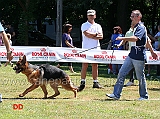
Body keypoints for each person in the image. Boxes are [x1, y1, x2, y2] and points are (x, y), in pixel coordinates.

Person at [106, 10, 157, 100]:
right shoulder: (135, 28)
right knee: (121, 73)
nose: (131, 18)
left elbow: (135, 39)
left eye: (133, 17)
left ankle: (144, 96)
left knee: (140, 77)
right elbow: (147, 40)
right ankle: (116, 94)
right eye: (131, 17)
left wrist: (122, 38)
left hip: (139, 55)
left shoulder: (141, 27)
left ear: (138, 17)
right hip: (132, 54)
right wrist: (120, 44)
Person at [78, 9, 103, 91]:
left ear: (95, 16)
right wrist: (95, 35)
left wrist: (92, 35)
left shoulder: (98, 26)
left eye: (92, 15)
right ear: (87, 16)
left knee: (95, 65)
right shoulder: (84, 25)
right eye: (89, 15)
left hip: (96, 48)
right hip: (86, 48)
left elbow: (101, 36)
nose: (91, 16)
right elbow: (86, 34)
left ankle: (95, 82)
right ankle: (82, 82)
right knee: (85, 65)